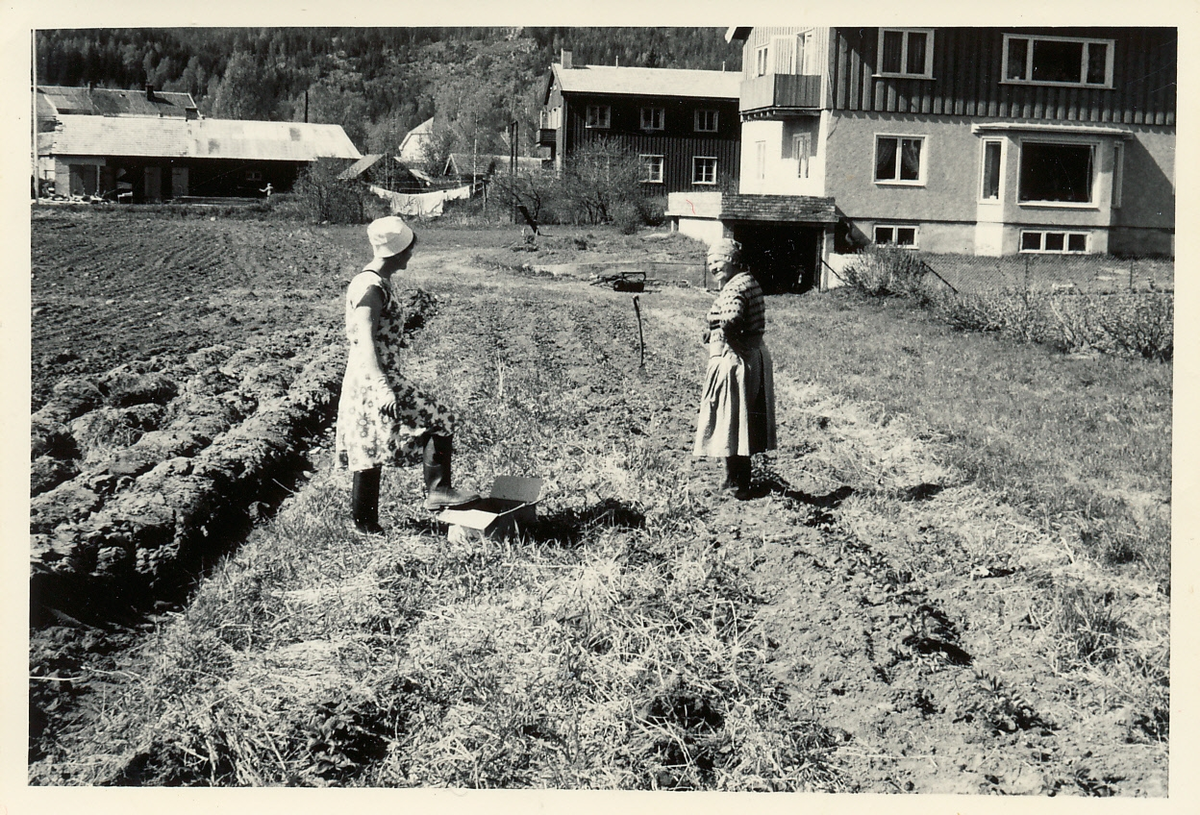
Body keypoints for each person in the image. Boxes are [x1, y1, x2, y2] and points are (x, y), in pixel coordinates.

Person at [335, 215, 477, 533]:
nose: (411, 254)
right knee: (441, 420)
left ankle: (366, 525)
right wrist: (384, 386)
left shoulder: (376, 282)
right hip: (375, 376)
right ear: (396, 253)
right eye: (408, 249)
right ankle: (436, 492)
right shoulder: (370, 286)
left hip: (371, 376)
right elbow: (364, 342)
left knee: (369, 444)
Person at [692, 238, 777, 500]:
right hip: (752, 356)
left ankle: (735, 483)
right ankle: (739, 479)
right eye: (710, 264)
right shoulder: (747, 281)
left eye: (717, 262)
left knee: (731, 420)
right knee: (742, 421)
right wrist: (715, 330)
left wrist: (720, 328)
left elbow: (733, 318)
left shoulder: (733, 288)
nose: (713, 268)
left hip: (735, 360)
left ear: (731, 260)